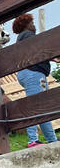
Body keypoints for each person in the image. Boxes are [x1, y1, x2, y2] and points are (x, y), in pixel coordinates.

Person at [13, 13, 58, 147]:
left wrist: (51, 58)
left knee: (41, 108)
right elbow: (40, 49)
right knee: (35, 105)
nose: (34, 26)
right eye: (31, 23)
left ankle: (52, 140)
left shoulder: (22, 38)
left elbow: (35, 53)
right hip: (34, 73)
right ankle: (32, 139)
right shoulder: (28, 35)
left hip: (30, 73)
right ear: (25, 25)